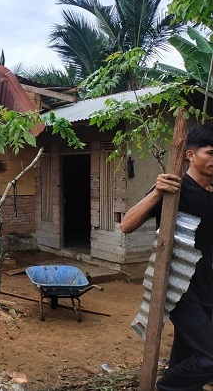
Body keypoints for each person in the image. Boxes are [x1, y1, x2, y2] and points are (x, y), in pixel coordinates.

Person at [120, 123, 213, 391]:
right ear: (190, 155)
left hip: (207, 286)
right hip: (179, 287)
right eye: (210, 153)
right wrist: (158, 191)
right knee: (209, 358)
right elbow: (127, 225)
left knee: (190, 353)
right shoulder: (174, 187)